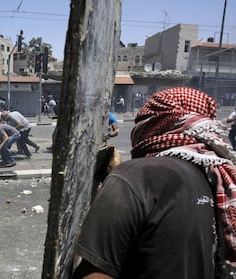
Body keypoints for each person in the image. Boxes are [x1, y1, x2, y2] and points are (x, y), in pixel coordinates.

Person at [73, 87, 236, 279]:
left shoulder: (134, 177)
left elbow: (95, 272)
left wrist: (123, 177)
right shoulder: (218, 181)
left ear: (155, 123)